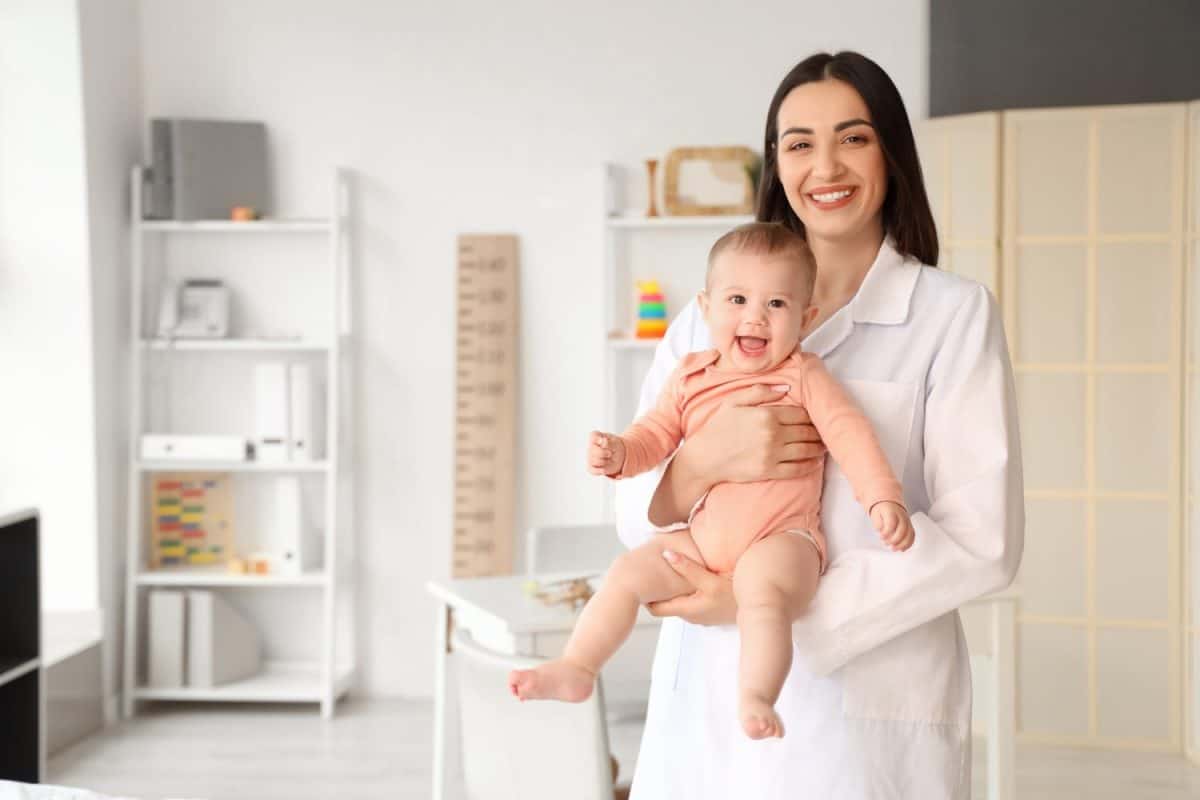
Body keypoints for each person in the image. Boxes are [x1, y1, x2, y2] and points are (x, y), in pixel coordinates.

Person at [615, 51, 1024, 798]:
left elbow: (982, 538)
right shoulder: (702, 318)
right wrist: (703, 463)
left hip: (865, 707)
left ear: (891, 153)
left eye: (854, 137)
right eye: (798, 142)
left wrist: (764, 599)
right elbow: (630, 500)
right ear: (777, 163)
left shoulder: (950, 315)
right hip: (706, 697)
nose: (824, 165)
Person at [507, 222, 914, 741]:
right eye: (739, 299)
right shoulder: (691, 376)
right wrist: (620, 453)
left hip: (781, 537)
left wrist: (883, 497)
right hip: (701, 540)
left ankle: (756, 694)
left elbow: (850, 435)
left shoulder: (803, 376)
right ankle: (578, 667)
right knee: (627, 573)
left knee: (763, 596)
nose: (755, 318)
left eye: (777, 305)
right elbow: (653, 436)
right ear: (706, 308)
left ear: (807, 318)